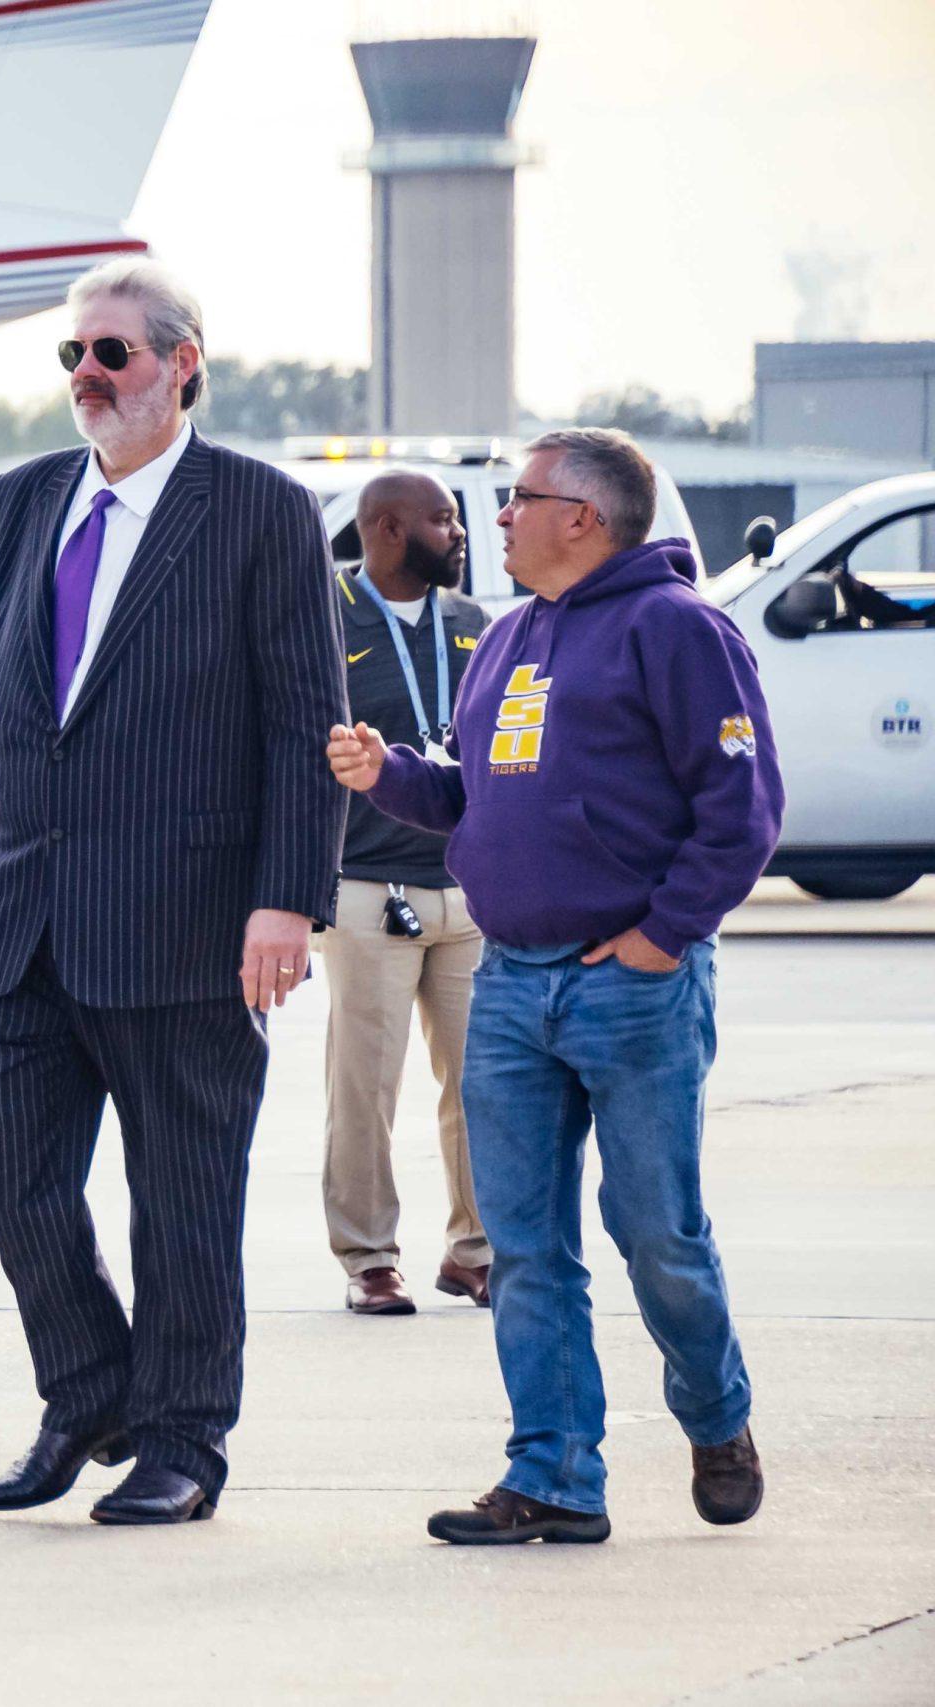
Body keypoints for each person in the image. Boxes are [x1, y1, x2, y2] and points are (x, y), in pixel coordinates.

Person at [0, 259, 346, 1525]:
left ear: (180, 363)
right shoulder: (24, 499)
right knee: (2, 1160)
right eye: (72, 357)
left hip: (188, 920)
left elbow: (308, 722)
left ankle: (184, 1438)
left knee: (182, 1199)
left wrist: (288, 900)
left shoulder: (260, 511)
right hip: (22, 911)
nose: (86, 377)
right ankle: (89, 1387)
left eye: (112, 355)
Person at [328, 427, 783, 1545]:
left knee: (653, 1230)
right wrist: (389, 776)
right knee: (522, 1244)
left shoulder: (677, 630)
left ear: (581, 514)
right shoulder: (512, 638)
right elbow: (475, 798)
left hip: (629, 987)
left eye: (516, 499)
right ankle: (555, 1478)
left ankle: (716, 1415)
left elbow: (743, 808)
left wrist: (661, 938)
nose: (496, 518)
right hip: (511, 984)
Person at [320, 472, 494, 1315]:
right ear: (388, 529)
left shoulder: (476, 624)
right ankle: (368, 1256)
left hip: (471, 894)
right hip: (367, 889)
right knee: (365, 1086)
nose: (461, 532)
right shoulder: (326, 616)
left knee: (483, 1083)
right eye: (444, 518)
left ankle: (476, 1249)